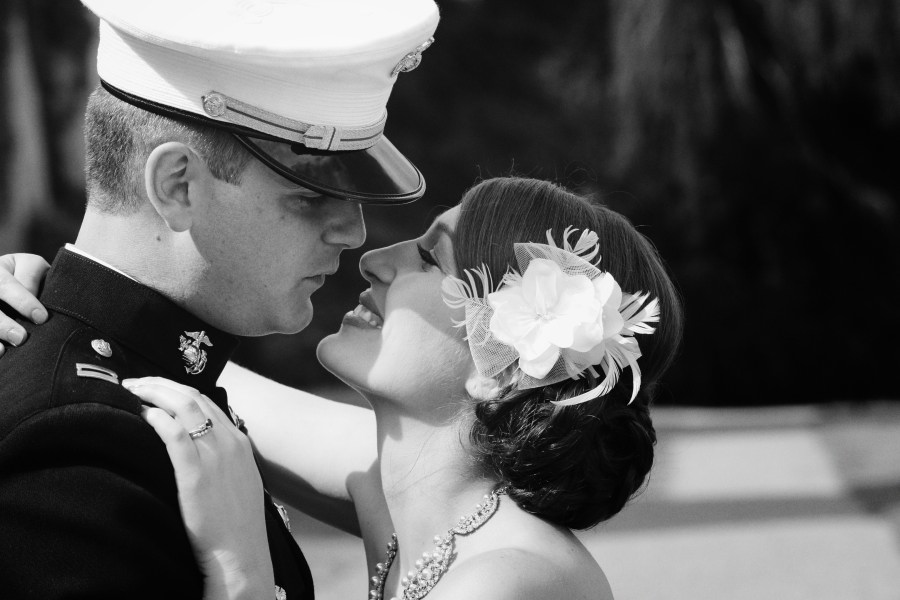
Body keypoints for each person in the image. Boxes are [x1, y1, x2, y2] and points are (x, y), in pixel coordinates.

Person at [0, 177, 684, 599]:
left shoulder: (508, 582)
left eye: (427, 256)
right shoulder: (401, 487)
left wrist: (243, 577)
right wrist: (52, 301)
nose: (375, 257)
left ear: (504, 360)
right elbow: (158, 361)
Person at [0, 0, 439, 597]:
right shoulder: (70, 440)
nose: (353, 233)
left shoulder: (135, 384)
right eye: (310, 196)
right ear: (177, 184)